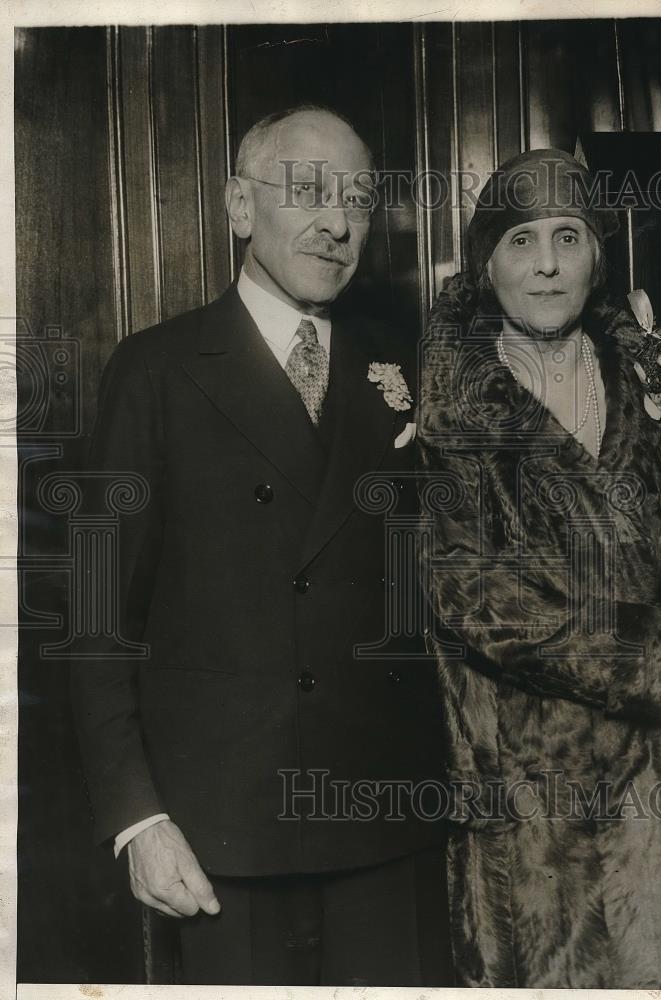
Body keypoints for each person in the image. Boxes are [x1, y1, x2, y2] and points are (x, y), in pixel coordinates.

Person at [71, 105, 452, 987]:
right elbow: (95, 619)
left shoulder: (404, 367)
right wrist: (136, 817)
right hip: (220, 829)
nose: (338, 221)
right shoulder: (156, 369)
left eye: (358, 197)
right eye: (309, 192)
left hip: (386, 818)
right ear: (240, 207)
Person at [416, 148, 661, 989]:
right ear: (485, 262)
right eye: (521, 240)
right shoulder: (450, 404)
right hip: (529, 793)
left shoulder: (656, 376)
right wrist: (652, 649)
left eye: (568, 236)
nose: (546, 263)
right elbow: (474, 593)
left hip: (659, 778)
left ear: (596, 256)